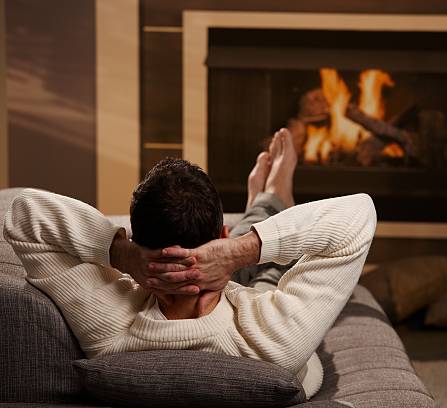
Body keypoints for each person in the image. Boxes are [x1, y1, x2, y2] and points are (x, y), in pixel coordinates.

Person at [3, 129, 376, 399]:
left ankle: (265, 201)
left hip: (199, 295)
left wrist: (122, 255)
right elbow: (358, 215)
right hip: (253, 311)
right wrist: (237, 252)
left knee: (258, 262)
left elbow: (23, 214)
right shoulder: (273, 340)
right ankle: (271, 201)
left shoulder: (112, 329)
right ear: (223, 234)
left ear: (135, 236)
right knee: (269, 274)